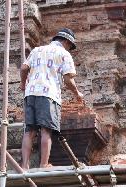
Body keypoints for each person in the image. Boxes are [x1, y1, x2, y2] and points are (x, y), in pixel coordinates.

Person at [19, 28, 84, 170]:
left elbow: (24, 68)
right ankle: (43, 164)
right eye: (70, 46)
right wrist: (77, 93)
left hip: (30, 94)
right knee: (46, 130)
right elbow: (68, 79)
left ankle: (24, 166)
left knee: (29, 131)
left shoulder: (37, 50)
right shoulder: (63, 54)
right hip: (48, 94)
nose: (70, 49)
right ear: (66, 41)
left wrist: (23, 84)